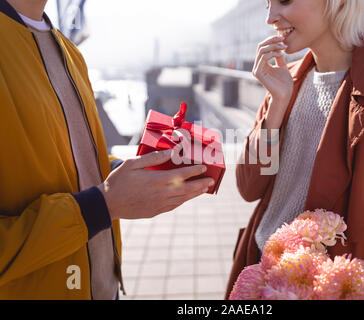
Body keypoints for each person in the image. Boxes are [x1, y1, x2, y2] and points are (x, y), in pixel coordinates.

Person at [226, 0, 364, 300]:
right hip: (259, 276)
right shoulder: (284, 81)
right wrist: (277, 105)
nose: (270, 18)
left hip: (334, 289)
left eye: (283, 1)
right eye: (267, 4)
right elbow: (250, 186)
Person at [0, 0, 214, 300]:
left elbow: (72, 157)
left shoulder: (68, 51)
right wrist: (104, 205)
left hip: (103, 288)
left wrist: (131, 172)